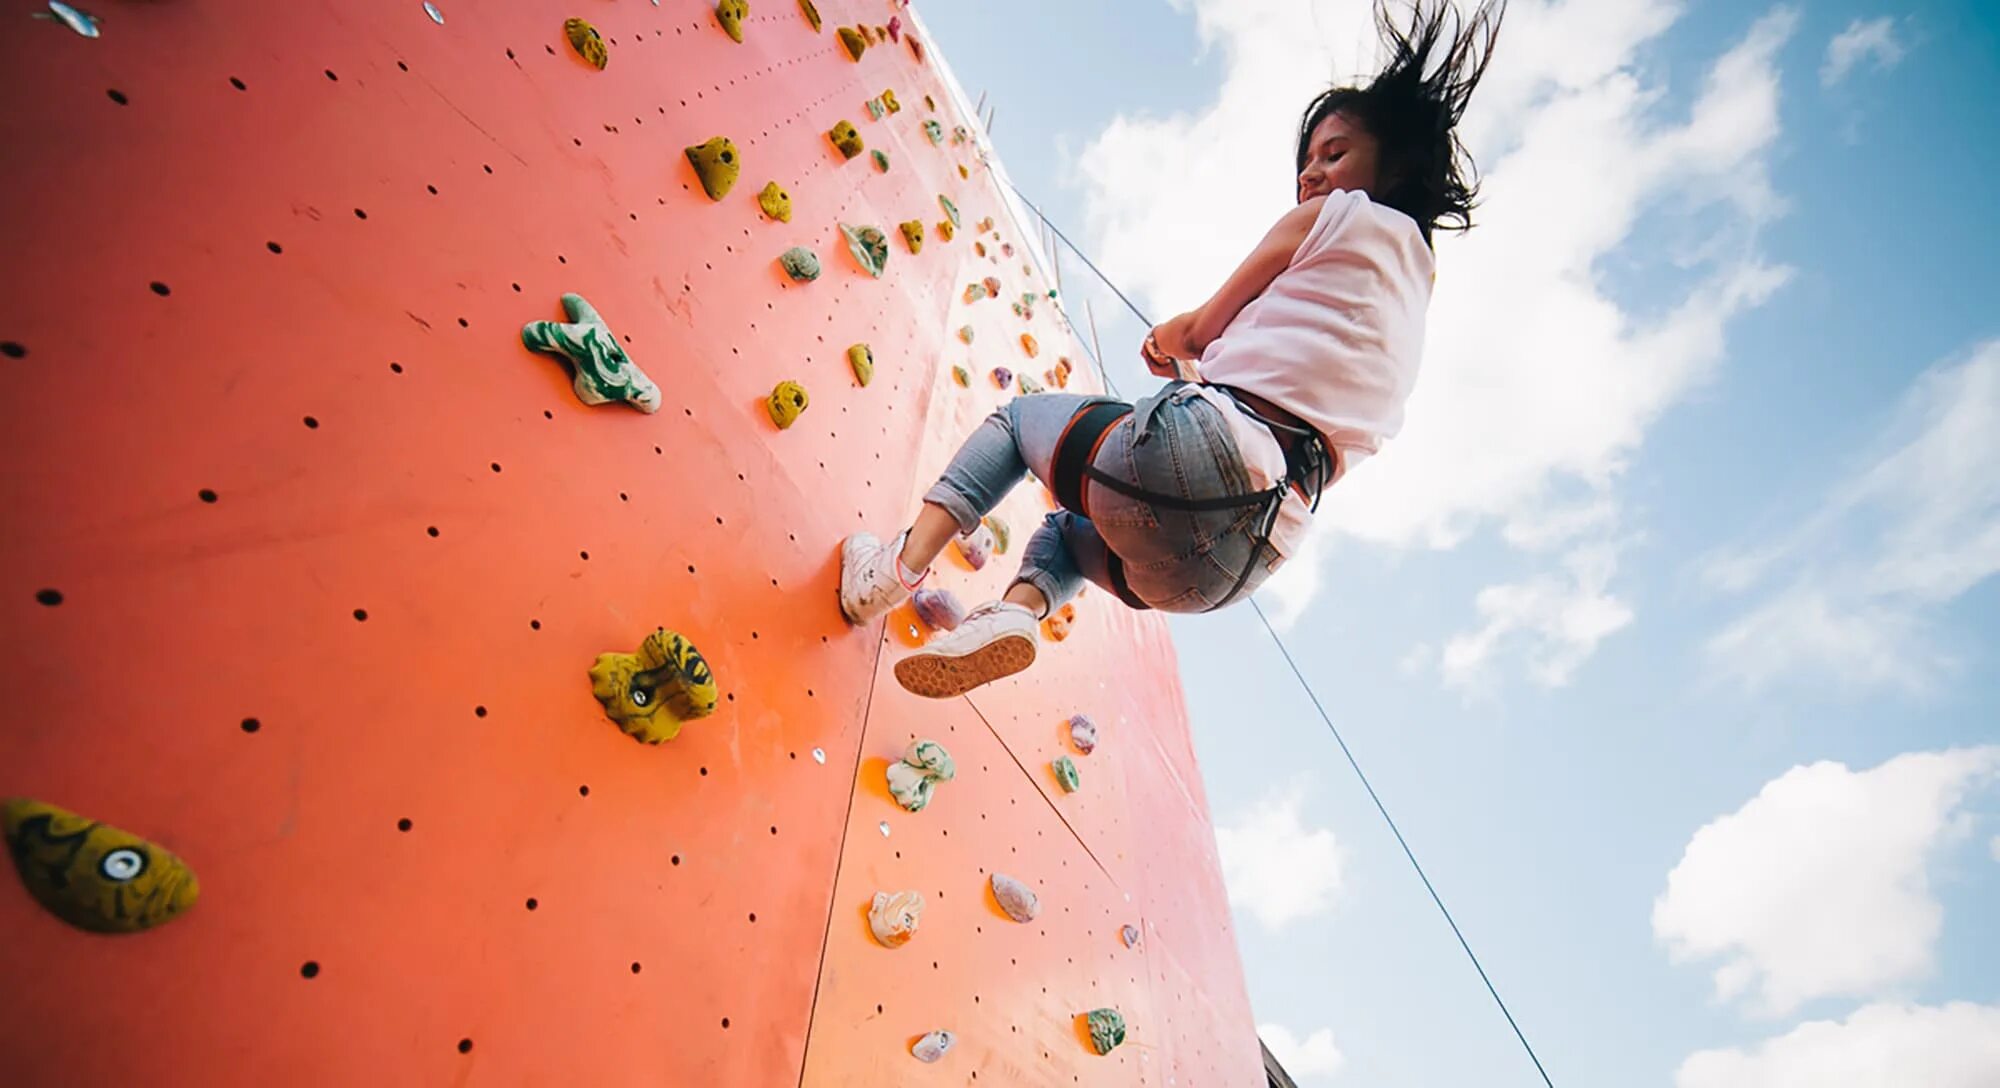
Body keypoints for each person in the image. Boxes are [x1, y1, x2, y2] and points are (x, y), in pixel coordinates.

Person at [840, 0, 1505, 699]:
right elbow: (1281, 400)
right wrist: (1200, 373)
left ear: (1393, 168)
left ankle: (888, 574)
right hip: (1239, 561)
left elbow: (1199, 331)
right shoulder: (1408, 304)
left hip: (1203, 453)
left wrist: (1168, 341)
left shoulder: (1334, 215)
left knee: (1015, 424)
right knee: (1070, 532)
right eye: (1308, 161)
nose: (1311, 174)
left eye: (1332, 154)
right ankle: (1014, 615)